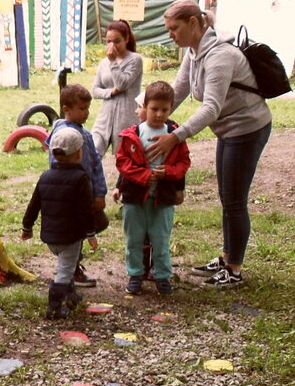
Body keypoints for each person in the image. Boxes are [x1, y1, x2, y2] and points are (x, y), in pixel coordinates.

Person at [147, 0, 272, 288]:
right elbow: (178, 91)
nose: (170, 34)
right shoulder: (194, 52)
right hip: (229, 130)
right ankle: (227, 256)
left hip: (247, 128)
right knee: (227, 195)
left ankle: (234, 269)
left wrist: (175, 136)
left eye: (174, 28)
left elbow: (211, 108)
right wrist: (146, 114)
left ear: (193, 23)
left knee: (235, 200)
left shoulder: (219, 56)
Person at [116, 81, 192, 296]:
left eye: (164, 110)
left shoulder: (175, 135)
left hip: (163, 198)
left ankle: (162, 276)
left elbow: (184, 162)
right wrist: (143, 176)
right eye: (154, 109)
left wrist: (167, 172)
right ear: (145, 107)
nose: (159, 114)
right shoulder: (132, 134)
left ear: (171, 108)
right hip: (134, 197)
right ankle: (135, 274)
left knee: (160, 239)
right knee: (134, 239)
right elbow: (122, 161)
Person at [23, 127, 98, 319]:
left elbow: (34, 204)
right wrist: (91, 234)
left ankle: (71, 297)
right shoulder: (80, 178)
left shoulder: (45, 176)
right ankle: (54, 308)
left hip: (50, 237)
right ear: (79, 153)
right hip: (70, 237)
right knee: (65, 270)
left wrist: (27, 227)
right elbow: (85, 210)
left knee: (67, 265)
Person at [46, 83, 107, 289]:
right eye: (82, 108)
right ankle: (70, 270)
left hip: (85, 193)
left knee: (86, 227)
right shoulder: (61, 135)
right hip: (69, 196)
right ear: (66, 109)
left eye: (87, 108)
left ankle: (71, 268)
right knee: (72, 232)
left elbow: (95, 164)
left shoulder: (85, 134)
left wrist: (99, 192)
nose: (86, 113)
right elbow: (55, 167)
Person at [91, 19, 144, 157]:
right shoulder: (103, 63)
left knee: (125, 157)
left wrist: (113, 62)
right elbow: (95, 90)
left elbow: (122, 84)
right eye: (109, 41)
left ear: (126, 39)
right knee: (93, 152)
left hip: (126, 117)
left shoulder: (135, 59)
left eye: (117, 41)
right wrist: (111, 92)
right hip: (105, 116)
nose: (112, 46)